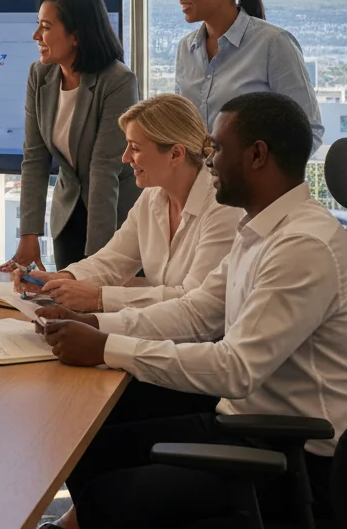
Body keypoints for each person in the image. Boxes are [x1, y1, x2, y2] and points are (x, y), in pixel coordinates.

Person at [39, 92, 347, 528]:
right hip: (246, 424)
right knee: (89, 449)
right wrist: (95, 324)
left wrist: (106, 347)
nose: (209, 161)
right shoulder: (260, 229)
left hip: (293, 457)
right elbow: (197, 311)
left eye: (217, 149)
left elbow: (234, 368)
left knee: (111, 496)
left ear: (257, 155)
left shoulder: (302, 245)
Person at [11, 94, 240, 313]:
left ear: (175, 154)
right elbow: (113, 261)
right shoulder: (152, 196)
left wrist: (98, 298)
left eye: (135, 148)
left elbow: (195, 301)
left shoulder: (223, 207)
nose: (125, 157)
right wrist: (60, 279)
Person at [7, 0, 139, 272]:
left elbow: (104, 170)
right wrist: (29, 235)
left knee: (100, 293)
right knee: (64, 294)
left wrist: (96, 264)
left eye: (45, 27)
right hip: (68, 214)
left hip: (114, 216)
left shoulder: (117, 80)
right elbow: (34, 158)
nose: (36, 35)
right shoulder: (40, 74)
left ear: (76, 35)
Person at [173, 0, 323, 152]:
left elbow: (309, 130)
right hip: (197, 175)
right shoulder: (186, 48)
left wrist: (260, 169)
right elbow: (181, 128)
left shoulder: (273, 43)